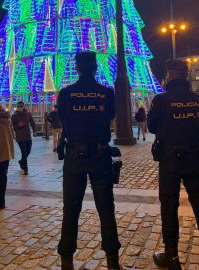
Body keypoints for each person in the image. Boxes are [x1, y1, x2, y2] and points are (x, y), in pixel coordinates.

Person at [147, 59, 199, 270]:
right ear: (186, 75)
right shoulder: (197, 100)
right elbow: (198, 126)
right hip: (193, 158)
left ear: (169, 74)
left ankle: (171, 257)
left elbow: (151, 126)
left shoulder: (161, 100)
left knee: (169, 207)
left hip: (169, 160)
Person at [57, 51, 121, 270]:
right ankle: (112, 260)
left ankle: (67, 260)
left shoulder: (66, 93)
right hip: (100, 155)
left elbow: (63, 119)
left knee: (71, 209)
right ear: (95, 68)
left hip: (74, 156)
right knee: (106, 209)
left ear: (77, 68)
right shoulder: (106, 93)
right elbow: (110, 116)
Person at [11, 101, 36, 175]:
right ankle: (25, 169)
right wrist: (19, 125)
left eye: (21, 106)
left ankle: (21, 161)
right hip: (20, 137)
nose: (19, 107)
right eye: (18, 106)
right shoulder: (14, 116)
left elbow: (32, 122)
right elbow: (12, 126)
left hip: (28, 136)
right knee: (24, 152)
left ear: (24, 106)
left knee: (28, 151)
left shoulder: (27, 114)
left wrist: (34, 130)